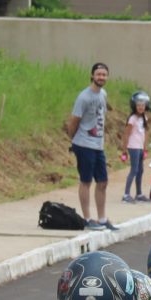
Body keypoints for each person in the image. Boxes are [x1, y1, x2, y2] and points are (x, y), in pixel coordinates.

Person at [65, 63, 116, 232]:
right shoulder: (84, 97)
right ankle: (87, 219)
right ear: (92, 76)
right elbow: (74, 121)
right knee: (86, 181)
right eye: (98, 74)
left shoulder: (103, 94)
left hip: (98, 145)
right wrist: (73, 140)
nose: (101, 77)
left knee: (102, 181)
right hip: (84, 144)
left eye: (104, 74)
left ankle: (102, 219)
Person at [121, 92, 150, 204]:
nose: (141, 107)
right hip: (133, 146)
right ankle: (126, 195)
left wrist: (145, 148)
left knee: (140, 170)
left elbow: (145, 134)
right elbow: (126, 134)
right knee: (134, 170)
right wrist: (124, 150)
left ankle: (139, 194)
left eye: (143, 105)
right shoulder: (132, 119)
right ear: (134, 106)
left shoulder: (144, 118)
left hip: (140, 147)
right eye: (138, 105)